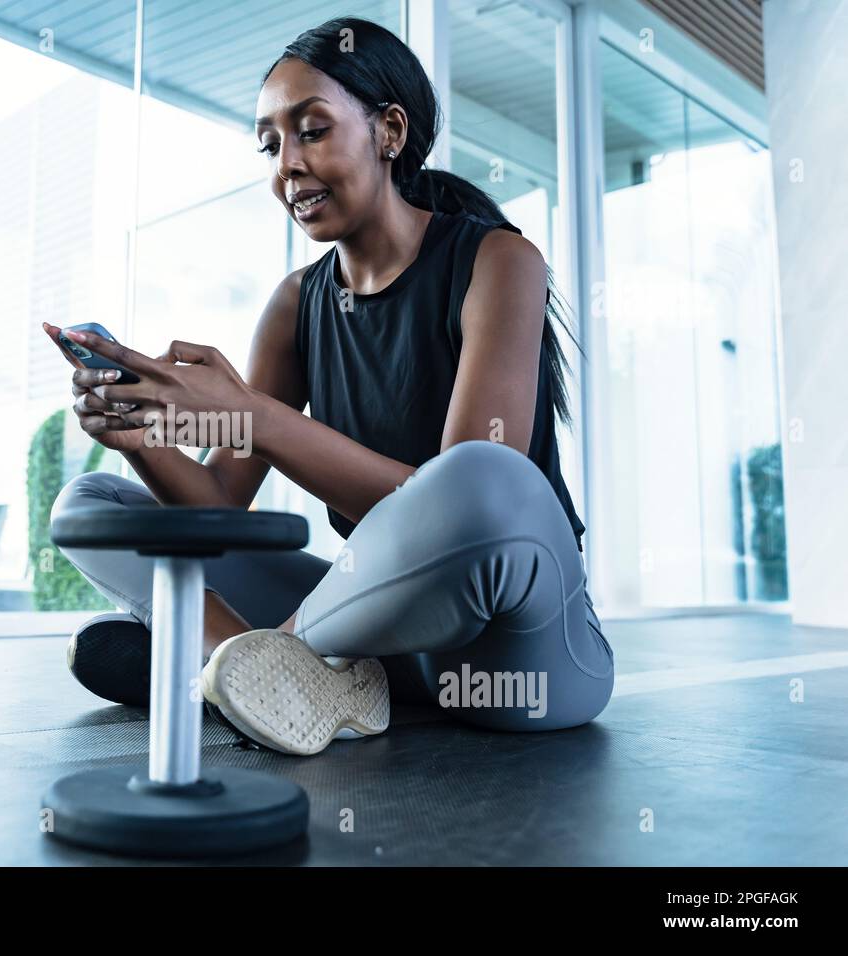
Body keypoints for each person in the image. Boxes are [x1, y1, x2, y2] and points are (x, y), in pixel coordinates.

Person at [41, 16, 613, 756]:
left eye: (311, 131)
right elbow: (216, 509)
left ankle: (232, 664)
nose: (287, 165)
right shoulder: (296, 302)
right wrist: (134, 436)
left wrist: (255, 416)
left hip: (522, 656)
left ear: (390, 131)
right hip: (381, 647)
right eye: (270, 144)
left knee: (481, 477)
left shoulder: (499, 261)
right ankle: (264, 674)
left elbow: (461, 512)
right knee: (94, 503)